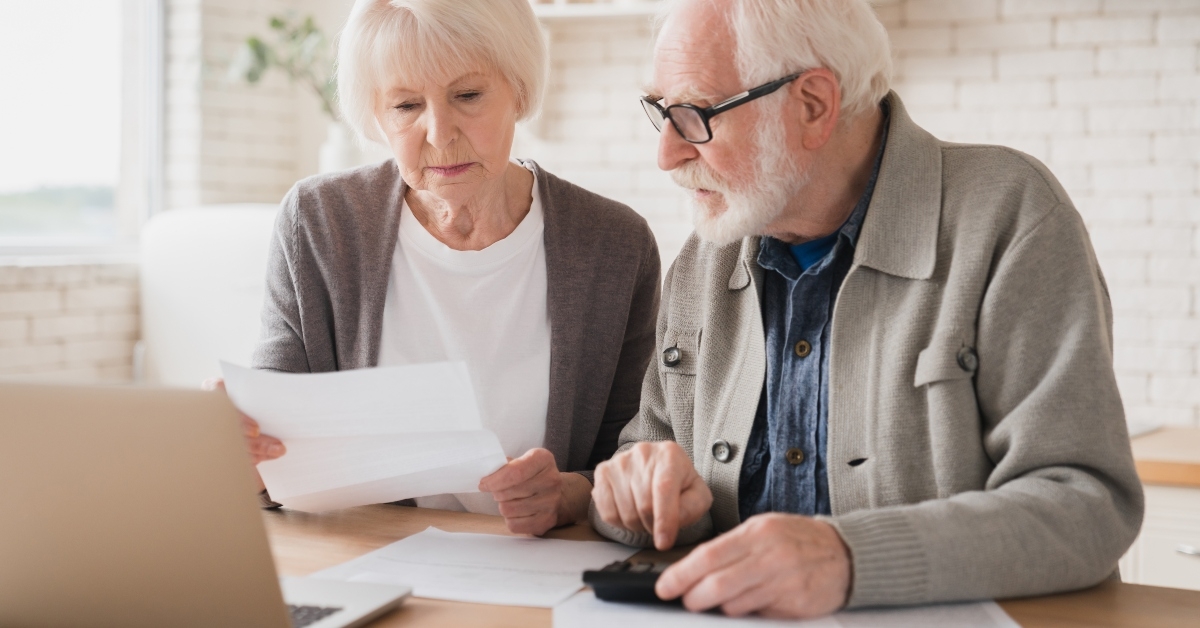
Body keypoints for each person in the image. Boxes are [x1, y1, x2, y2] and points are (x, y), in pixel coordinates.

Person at [590, 0, 1143, 618]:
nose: (667, 154)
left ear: (813, 105)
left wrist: (850, 558)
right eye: (661, 112)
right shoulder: (704, 257)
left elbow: (1087, 505)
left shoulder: (1009, 216)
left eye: (693, 114)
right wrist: (633, 496)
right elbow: (643, 460)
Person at [236, 0, 660, 537]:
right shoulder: (319, 223)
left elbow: (638, 457)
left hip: (540, 564)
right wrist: (242, 450)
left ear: (519, 90)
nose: (439, 132)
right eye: (406, 105)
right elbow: (272, 454)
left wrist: (571, 495)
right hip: (364, 559)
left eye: (467, 95)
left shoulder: (614, 245)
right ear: (376, 116)